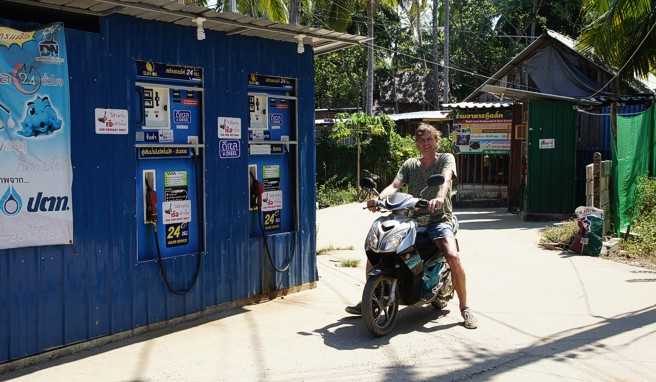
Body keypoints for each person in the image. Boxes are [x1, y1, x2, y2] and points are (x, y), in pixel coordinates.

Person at [345, 123, 478, 329]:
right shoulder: (410, 164)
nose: (425, 144)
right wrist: (378, 199)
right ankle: (371, 298)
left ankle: (465, 307)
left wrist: (440, 198)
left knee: (452, 256)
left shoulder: (445, 159)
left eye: (429, 139)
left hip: (438, 220)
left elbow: (445, 180)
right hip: (411, 220)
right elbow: (395, 185)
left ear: (436, 140)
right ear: (416, 143)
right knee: (377, 252)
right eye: (421, 140)